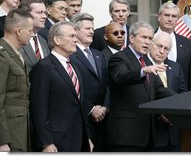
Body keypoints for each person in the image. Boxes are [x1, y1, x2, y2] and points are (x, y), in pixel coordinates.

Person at [107, 21, 176, 152]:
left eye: (150, 38)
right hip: (126, 136)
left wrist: (183, 99)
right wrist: (143, 71)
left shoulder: (147, 62)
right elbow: (120, 77)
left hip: (147, 135)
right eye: (144, 37)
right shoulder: (119, 58)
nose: (147, 42)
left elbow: (160, 91)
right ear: (132, 38)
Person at [29, 21, 92, 152]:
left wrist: (87, 137)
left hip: (80, 139)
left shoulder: (75, 65)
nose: (76, 40)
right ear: (57, 39)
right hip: (57, 141)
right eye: (72, 36)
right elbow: (39, 108)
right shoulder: (43, 67)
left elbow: (79, 103)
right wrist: (46, 142)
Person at [70, 13, 109, 151]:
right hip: (82, 119)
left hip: (103, 120)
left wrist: (105, 106)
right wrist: (91, 109)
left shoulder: (99, 54)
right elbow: (72, 88)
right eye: (87, 28)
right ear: (75, 30)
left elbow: (107, 84)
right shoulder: (69, 55)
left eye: (92, 28)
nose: (92, 31)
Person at [0, 8, 34, 152]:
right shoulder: (2, 56)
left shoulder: (15, 54)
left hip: (20, 127)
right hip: (9, 132)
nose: (32, 34)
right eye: (30, 30)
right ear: (19, 30)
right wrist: (2, 141)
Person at [147, 31, 187, 152]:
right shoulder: (142, 66)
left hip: (173, 132)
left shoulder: (175, 67)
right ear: (150, 44)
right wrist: (161, 113)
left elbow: (182, 93)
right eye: (159, 46)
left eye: (166, 49)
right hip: (150, 133)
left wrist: (173, 114)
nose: (162, 51)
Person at [157, 2, 191, 90]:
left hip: (180, 96)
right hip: (153, 96)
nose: (170, 19)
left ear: (178, 20)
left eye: (174, 16)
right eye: (167, 15)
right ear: (159, 17)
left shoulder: (187, 44)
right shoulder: (149, 39)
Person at [18, 0, 50, 73]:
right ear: (25, 14)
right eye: (39, 12)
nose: (44, 16)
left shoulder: (43, 41)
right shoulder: (17, 40)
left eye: (45, 13)